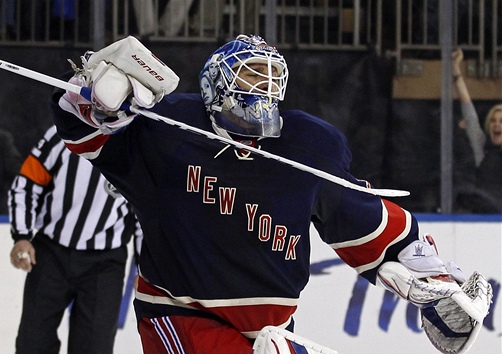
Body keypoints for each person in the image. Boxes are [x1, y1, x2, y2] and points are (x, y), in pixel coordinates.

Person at [50, 35, 491, 353]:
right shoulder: (168, 128)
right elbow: (84, 134)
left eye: (269, 77)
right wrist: (92, 100)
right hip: (180, 315)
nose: (262, 88)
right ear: (214, 87)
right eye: (249, 75)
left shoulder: (308, 145)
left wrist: (436, 281)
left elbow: (365, 220)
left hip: (269, 332)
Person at [8, 125, 142, 354]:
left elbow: (146, 215)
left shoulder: (138, 145)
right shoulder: (65, 130)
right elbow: (28, 181)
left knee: (94, 347)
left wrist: (144, 269)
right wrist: (21, 235)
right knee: (32, 343)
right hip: (50, 254)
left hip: (105, 263)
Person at [452, 48, 502, 213]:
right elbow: (469, 112)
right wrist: (456, 69)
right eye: (494, 121)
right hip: (485, 217)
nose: (497, 125)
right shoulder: (483, 150)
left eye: (501, 121)